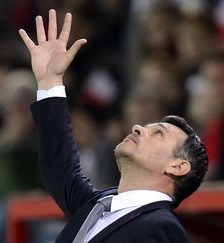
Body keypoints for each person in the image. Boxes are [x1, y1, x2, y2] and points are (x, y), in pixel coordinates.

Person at [19, 9, 208, 242]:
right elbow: (59, 167)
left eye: (158, 133)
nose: (139, 127)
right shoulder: (96, 207)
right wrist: (49, 81)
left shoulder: (162, 227)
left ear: (178, 166)